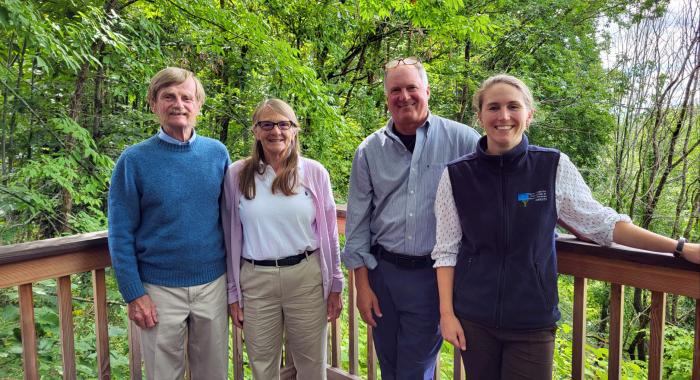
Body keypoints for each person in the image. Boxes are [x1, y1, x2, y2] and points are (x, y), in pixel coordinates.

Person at [433, 74, 700, 379]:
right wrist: (447, 315)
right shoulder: (456, 176)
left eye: (513, 107)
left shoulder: (552, 167)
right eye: (493, 107)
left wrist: (679, 247)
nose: (503, 116)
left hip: (532, 322)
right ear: (480, 116)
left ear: (528, 115)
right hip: (474, 320)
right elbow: (446, 250)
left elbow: (603, 224)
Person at [342, 57, 480, 380]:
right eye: (395, 90)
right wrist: (362, 287)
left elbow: (494, 190)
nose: (404, 96)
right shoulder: (369, 150)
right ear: (387, 97)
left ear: (427, 91)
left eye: (411, 88)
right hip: (382, 275)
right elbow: (359, 224)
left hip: (431, 278)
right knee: (388, 366)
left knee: (415, 371)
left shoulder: (464, 141)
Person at [107, 67, 231, 379]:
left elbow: (233, 221)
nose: (179, 104)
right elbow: (120, 233)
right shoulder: (134, 161)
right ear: (153, 104)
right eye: (169, 97)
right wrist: (134, 293)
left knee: (213, 373)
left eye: (186, 97)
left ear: (198, 105)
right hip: (158, 290)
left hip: (212, 284)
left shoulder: (217, 154)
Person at [222, 98, 343, 380]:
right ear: (255, 131)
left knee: (312, 366)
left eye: (283, 124)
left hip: (306, 277)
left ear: (294, 130)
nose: (275, 131)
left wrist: (336, 282)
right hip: (256, 279)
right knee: (263, 368)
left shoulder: (314, 172)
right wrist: (233, 292)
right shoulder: (237, 175)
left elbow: (329, 233)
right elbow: (229, 236)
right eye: (267, 124)